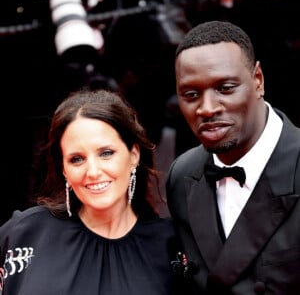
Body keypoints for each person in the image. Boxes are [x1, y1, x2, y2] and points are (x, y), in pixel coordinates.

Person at [0, 89, 184, 295]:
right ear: (64, 169)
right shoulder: (25, 232)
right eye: (77, 159)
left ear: (133, 155)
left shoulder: (172, 245)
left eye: (106, 153)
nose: (93, 172)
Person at [166, 20, 300, 294]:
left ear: (258, 81)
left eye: (225, 88)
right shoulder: (182, 175)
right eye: (191, 94)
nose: (207, 108)